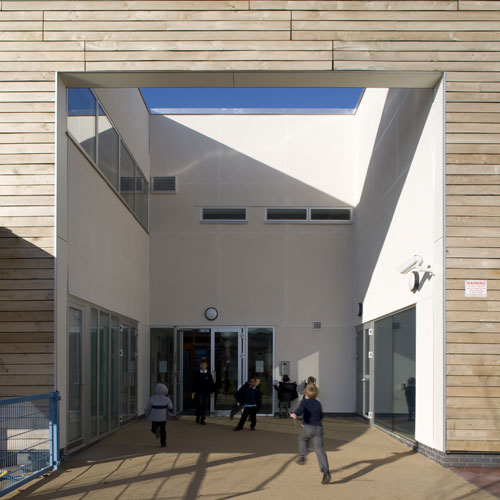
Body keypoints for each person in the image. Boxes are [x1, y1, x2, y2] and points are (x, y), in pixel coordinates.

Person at [290, 384, 331, 484]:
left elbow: (299, 410)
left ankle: (303, 456)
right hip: (318, 428)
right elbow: (321, 416)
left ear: (306, 393)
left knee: (302, 439)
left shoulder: (304, 402)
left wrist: (294, 414)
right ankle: (326, 472)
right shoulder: (318, 403)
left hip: (307, 427)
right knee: (320, 450)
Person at [144, 383, 173, 448]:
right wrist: (170, 414)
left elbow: (147, 407)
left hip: (154, 417)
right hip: (163, 418)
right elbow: (170, 407)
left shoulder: (152, 398)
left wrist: (147, 414)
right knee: (163, 430)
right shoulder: (167, 399)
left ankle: (157, 432)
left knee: (153, 428)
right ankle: (163, 443)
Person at [192, 358, 215, 425]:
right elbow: (194, 383)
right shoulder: (197, 373)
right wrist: (193, 391)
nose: (203, 366)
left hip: (206, 393)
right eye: (202, 365)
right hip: (199, 392)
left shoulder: (208, 374)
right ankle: (198, 415)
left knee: (205, 405)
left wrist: (212, 392)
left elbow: (211, 384)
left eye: (204, 365)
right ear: (200, 365)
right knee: (200, 404)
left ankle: (202, 419)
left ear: (206, 365)